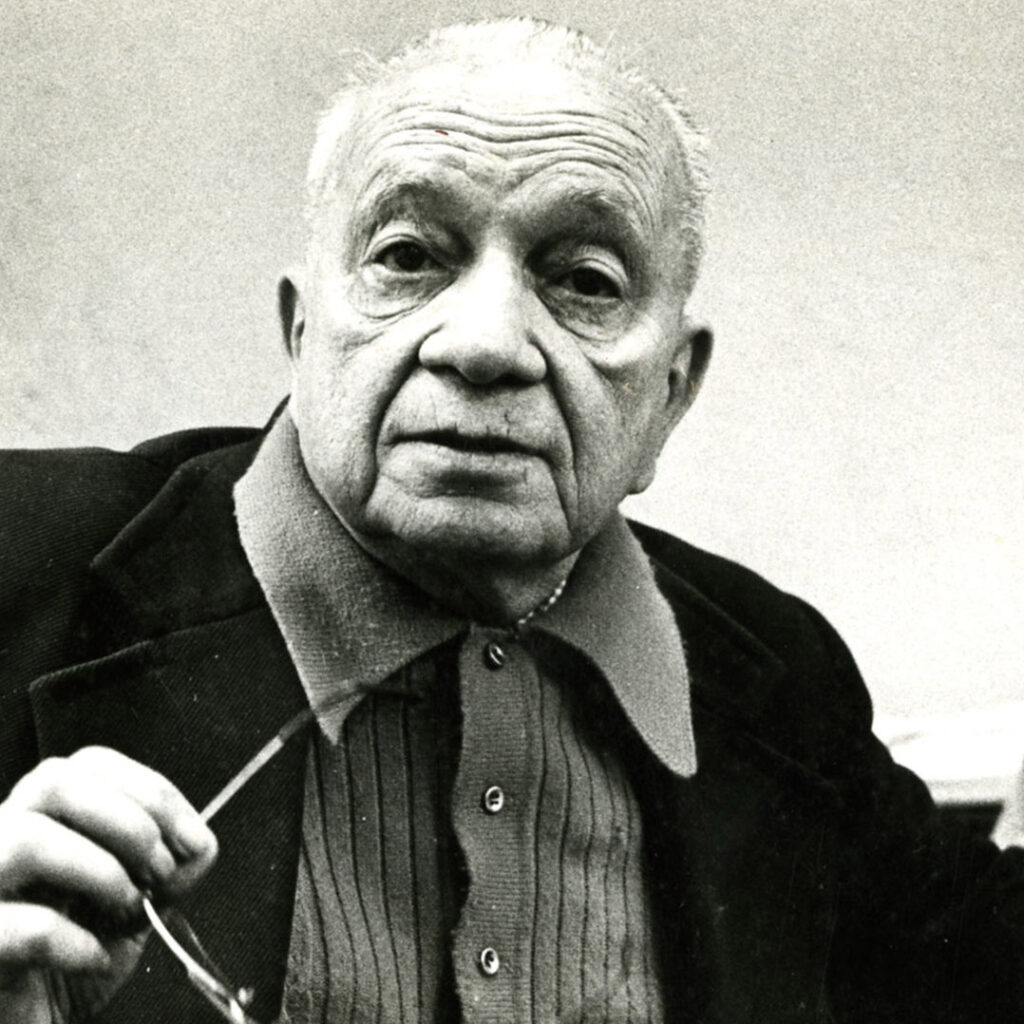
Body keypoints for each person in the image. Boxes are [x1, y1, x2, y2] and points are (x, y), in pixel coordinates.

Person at [0, 17, 1021, 1024]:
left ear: (670, 393)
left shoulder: (775, 679)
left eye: (584, 283)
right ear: (301, 331)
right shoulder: (20, 567)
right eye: (408, 256)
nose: (485, 343)